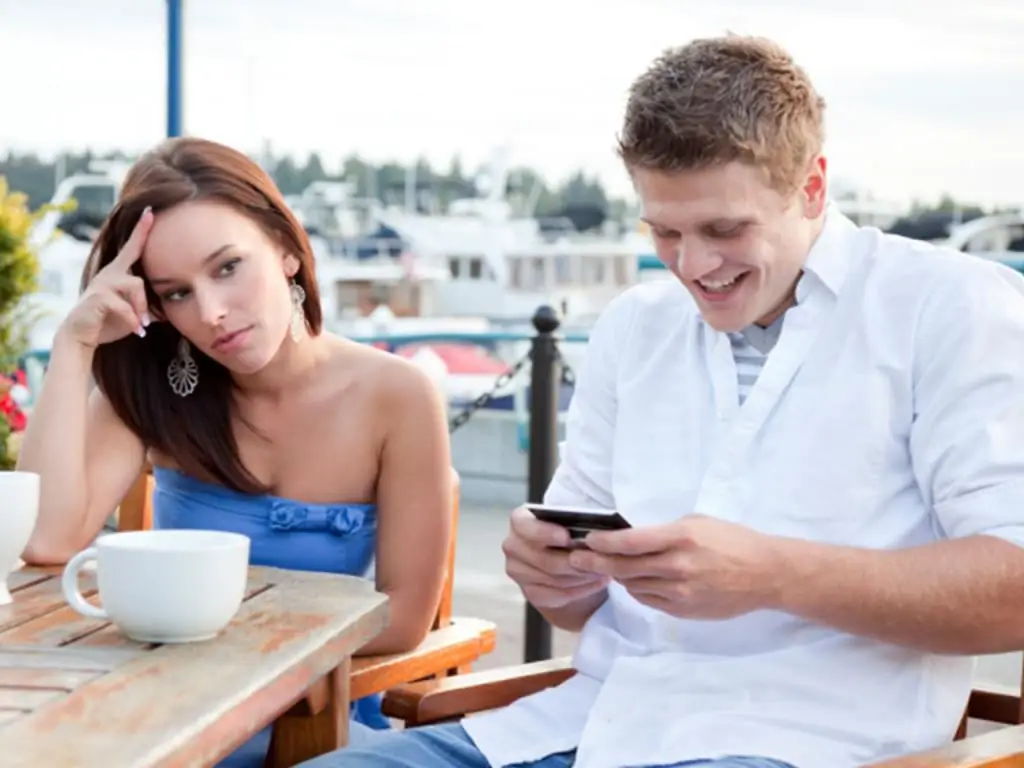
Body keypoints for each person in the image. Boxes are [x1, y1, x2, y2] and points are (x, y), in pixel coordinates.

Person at [300, 34, 1024, 768]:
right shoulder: (633, 326)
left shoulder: (950, 309)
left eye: (725, 229)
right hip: (586, 723)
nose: (693, 265)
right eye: (665, 231)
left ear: (812, 188)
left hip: (808, 744)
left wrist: (773, 574)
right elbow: (578, 610)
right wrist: (553, 575)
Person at [16, 137, 453, 766]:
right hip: (157, 710)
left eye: (227, 267)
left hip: (310, 717)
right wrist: (74, 345)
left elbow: (406, 617)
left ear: (284, 248)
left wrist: (235, 671)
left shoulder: (397, 395)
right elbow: (49, 540)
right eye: (177, 293)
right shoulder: (153, 394)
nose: (214, 313)